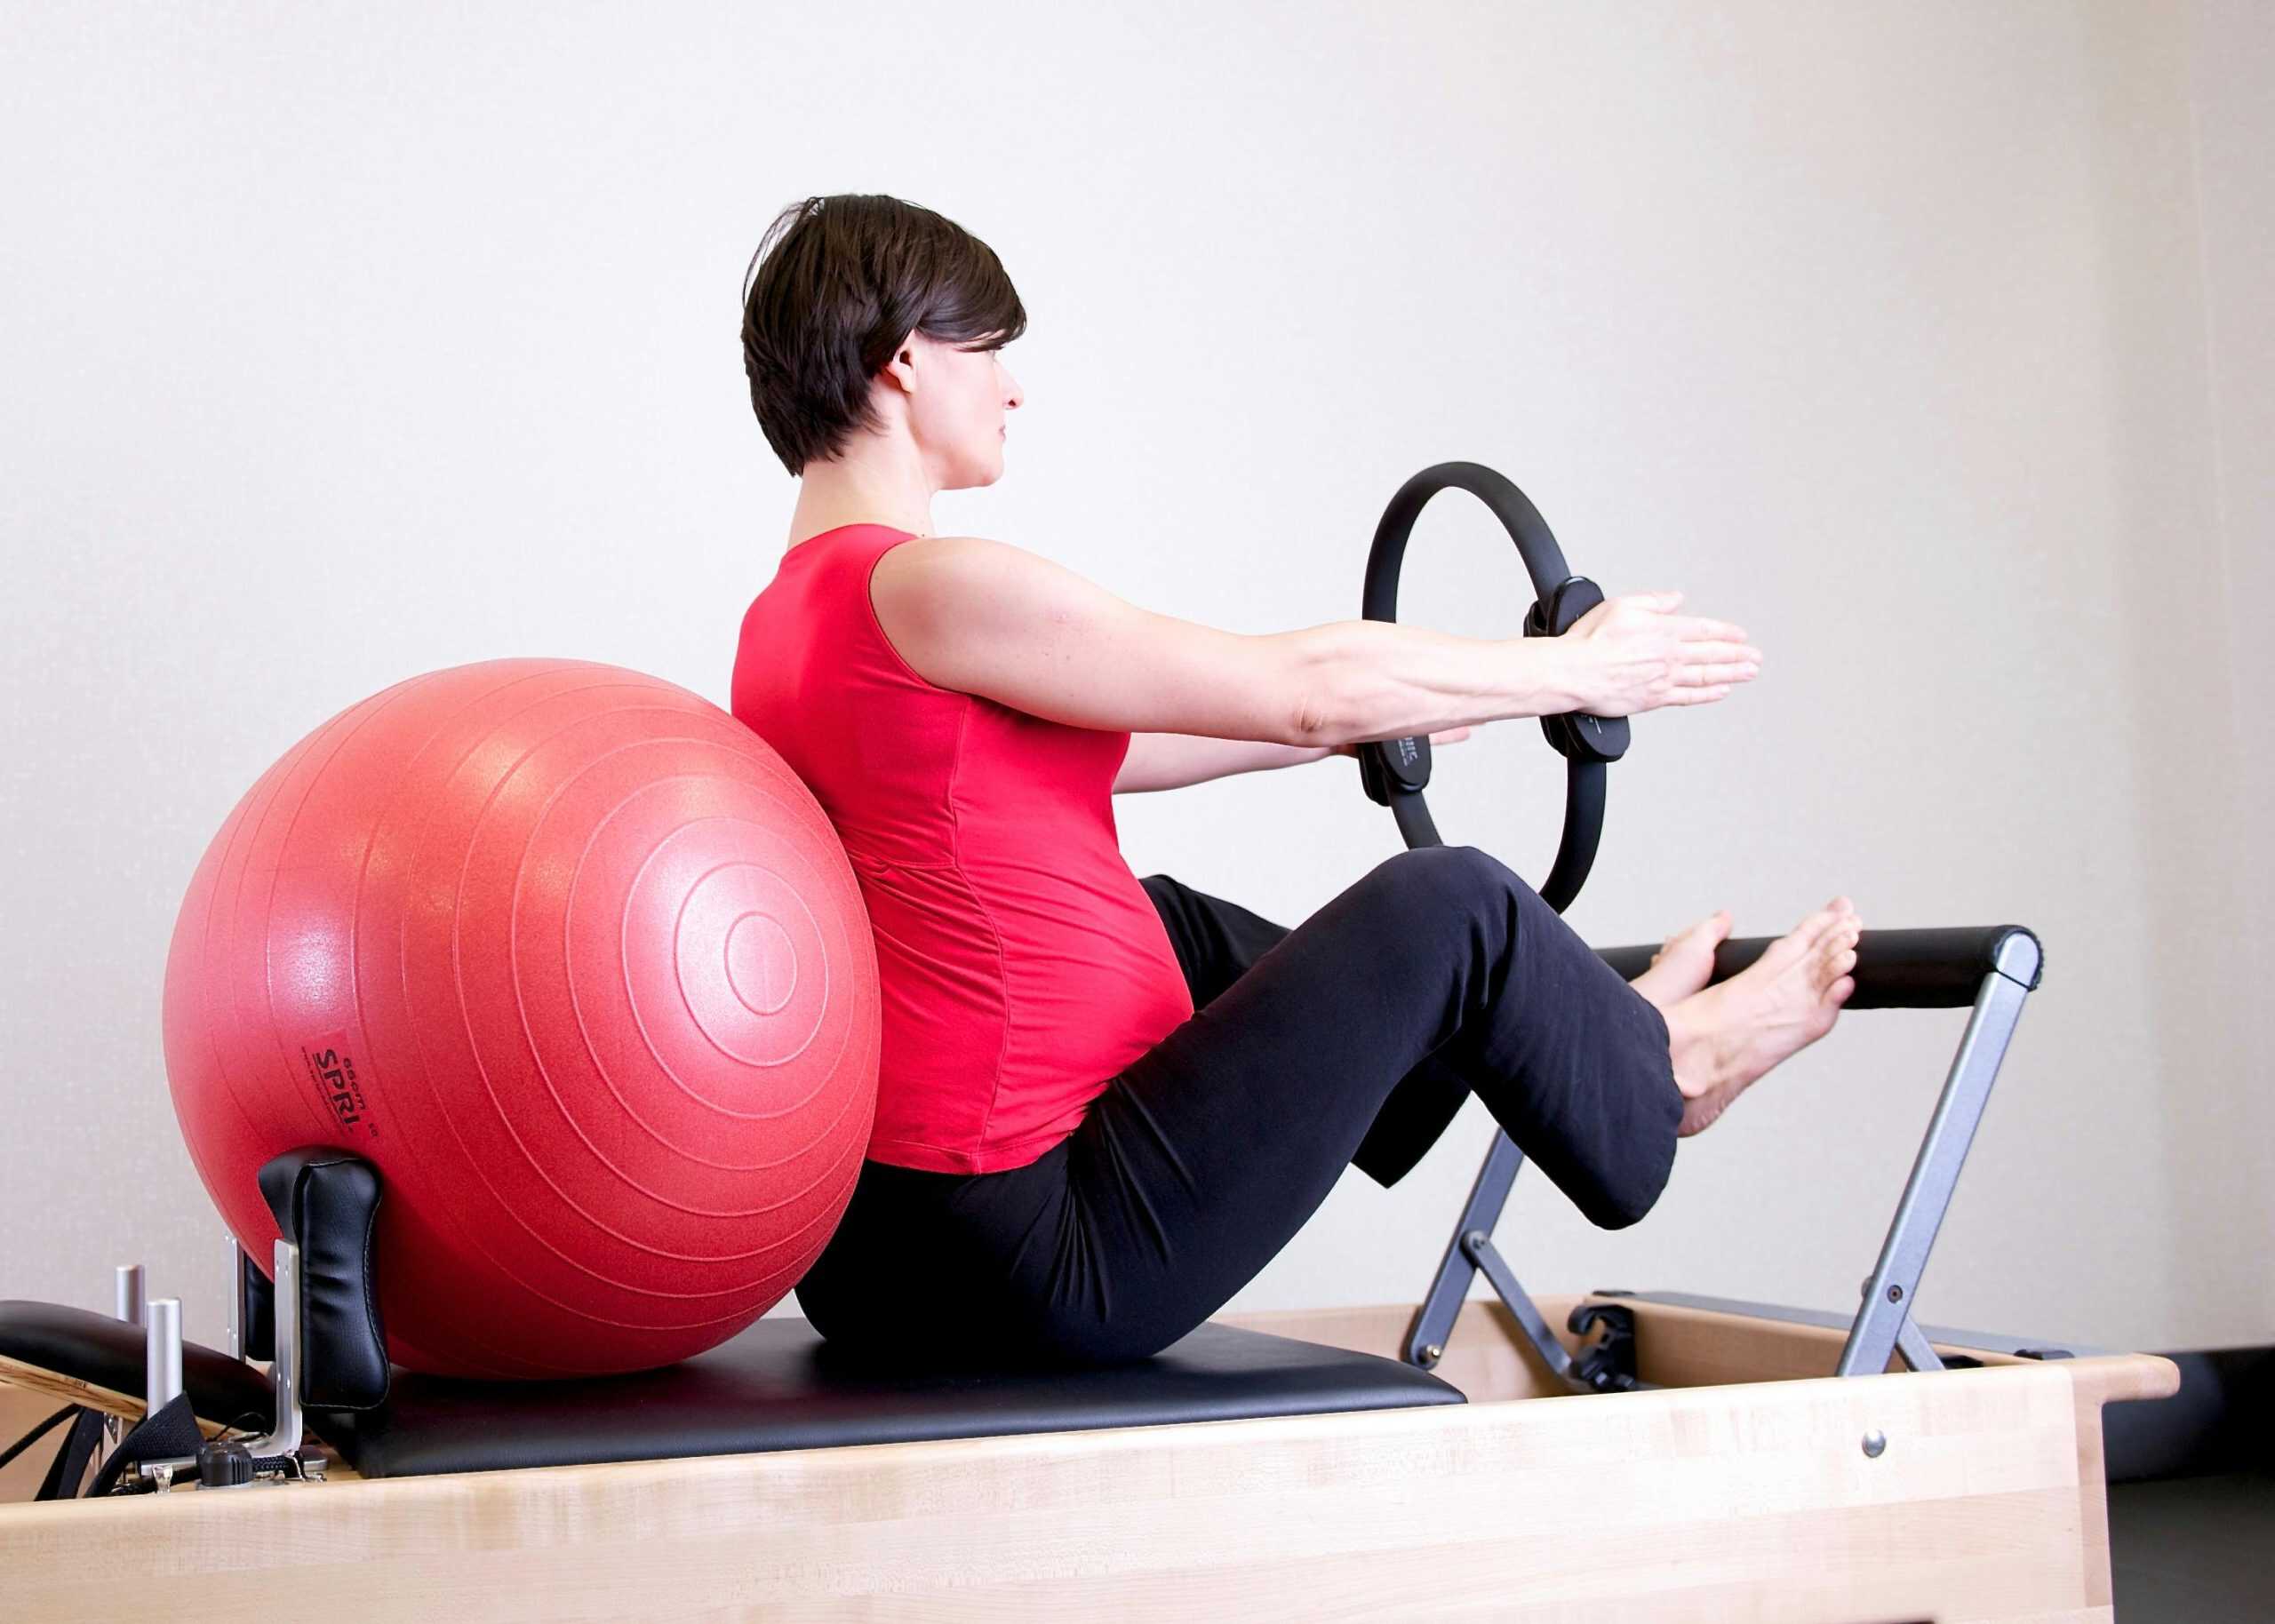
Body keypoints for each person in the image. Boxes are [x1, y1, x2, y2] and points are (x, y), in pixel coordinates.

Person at [731, 194, 1862, 1369]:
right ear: (906, 359)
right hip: (1029, 1254)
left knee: (1170, 921)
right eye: (990, 350)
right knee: (1453, 905)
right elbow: (1304, 685)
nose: (1013, 388)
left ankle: (1597, 1041)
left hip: (881, 1255)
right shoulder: (932, 586)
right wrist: (1579, 670)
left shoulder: (792, 618)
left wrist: (1364, 728)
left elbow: (1133, 740)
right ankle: (1663, 1074)